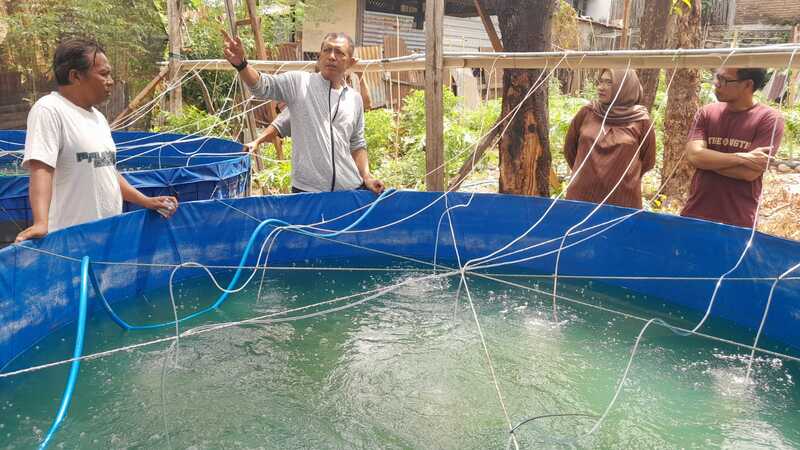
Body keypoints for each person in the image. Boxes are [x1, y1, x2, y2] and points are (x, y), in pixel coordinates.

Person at [15, 38, 178, 243]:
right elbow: (41, 168)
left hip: (107, 236)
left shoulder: (98, 118)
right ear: (75, 76)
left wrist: (145, 201)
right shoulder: (49, 109)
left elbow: (106, 169)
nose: (110, 81)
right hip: (70, 240)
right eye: (103, 74)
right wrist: (41, 222)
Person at [222, 31, 384, 194]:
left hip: (349, 190)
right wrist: (241, 64)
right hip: (307, 192)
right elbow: (263, 86)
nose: (332, 56)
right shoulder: (300, 83)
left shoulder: (354, 99)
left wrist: (367, 176)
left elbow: (357, 143)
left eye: (339, 52)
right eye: (327, 50)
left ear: (351, 62)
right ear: (319, 56)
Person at [681, 68, 784, 228]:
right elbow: (694, 156)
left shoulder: (769, 119)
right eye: (717, 77)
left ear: (747, 85)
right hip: (695, 213)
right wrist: (742, 158)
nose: (717, 84)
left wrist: (707, 161)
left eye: (725, 80)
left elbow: (749, 173)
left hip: (739, 221)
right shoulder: (707, 113)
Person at [563, 68, 656, 209]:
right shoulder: (587, 112)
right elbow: (570, 149)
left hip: (623, 200)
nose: (601, 87)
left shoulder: (641, 121)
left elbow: (647, 160)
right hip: (581, 196)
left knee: (621, 231)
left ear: (625, 87)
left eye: (609, 83)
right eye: (600, 82)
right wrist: (588, 174)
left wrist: (621, 177)